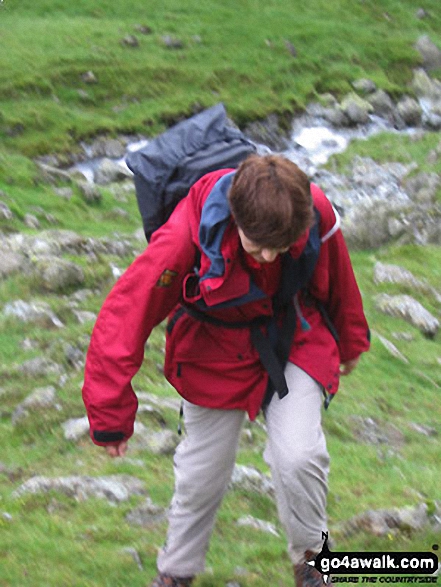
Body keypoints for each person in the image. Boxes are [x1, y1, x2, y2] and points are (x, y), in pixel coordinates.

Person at [82, 154, 370, 587]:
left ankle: (313, 565)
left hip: (293, 336)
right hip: (211, 349)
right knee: (202, 471)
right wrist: (110, 415)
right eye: (258, 246)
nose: (271, 257)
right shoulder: (185, 234)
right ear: (235, 219)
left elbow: (339, 278)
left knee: (300, 455)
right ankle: (177, 573)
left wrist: (349, 343)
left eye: (281, 247)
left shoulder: (313, 210)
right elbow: (126, 314)